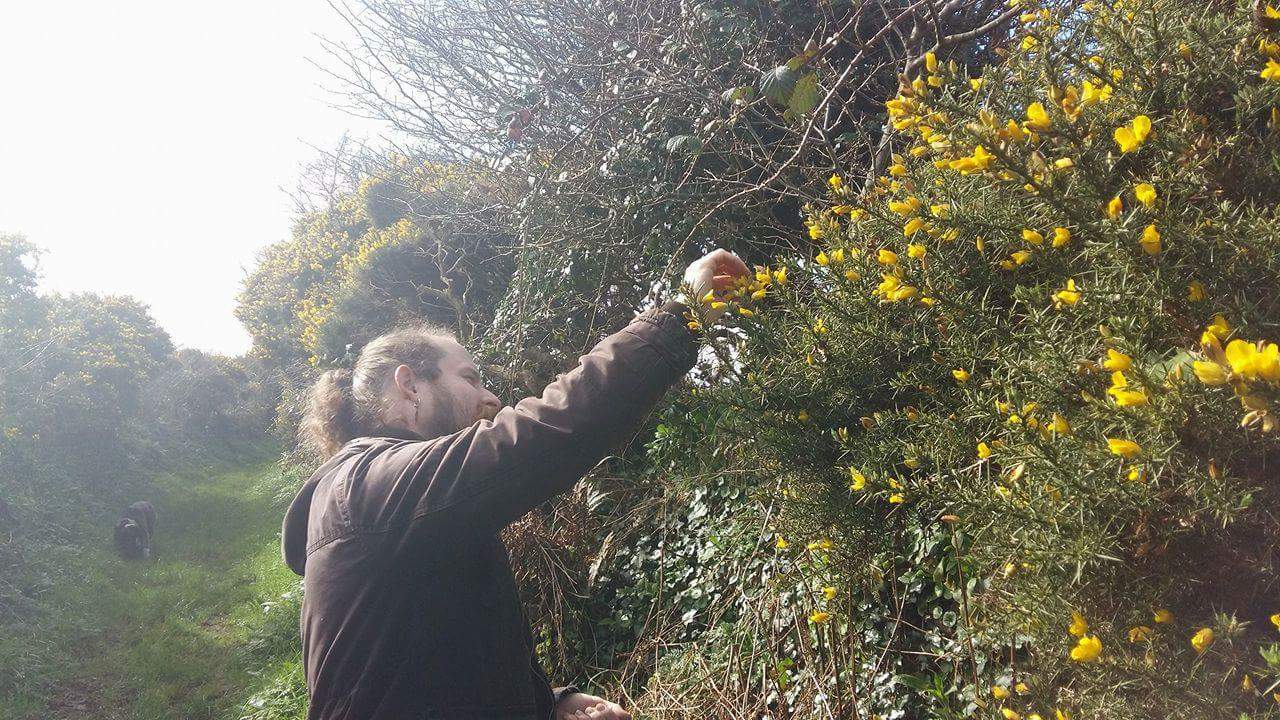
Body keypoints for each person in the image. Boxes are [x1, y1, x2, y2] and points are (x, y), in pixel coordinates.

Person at [283, 249, 750, 720]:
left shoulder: (397, 508)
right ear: (410, 386)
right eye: (469, 377)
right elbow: (544, 433)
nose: (490, 396)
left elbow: (439, 667)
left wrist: (549, 705)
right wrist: (683, 313)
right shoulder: (366, 488)